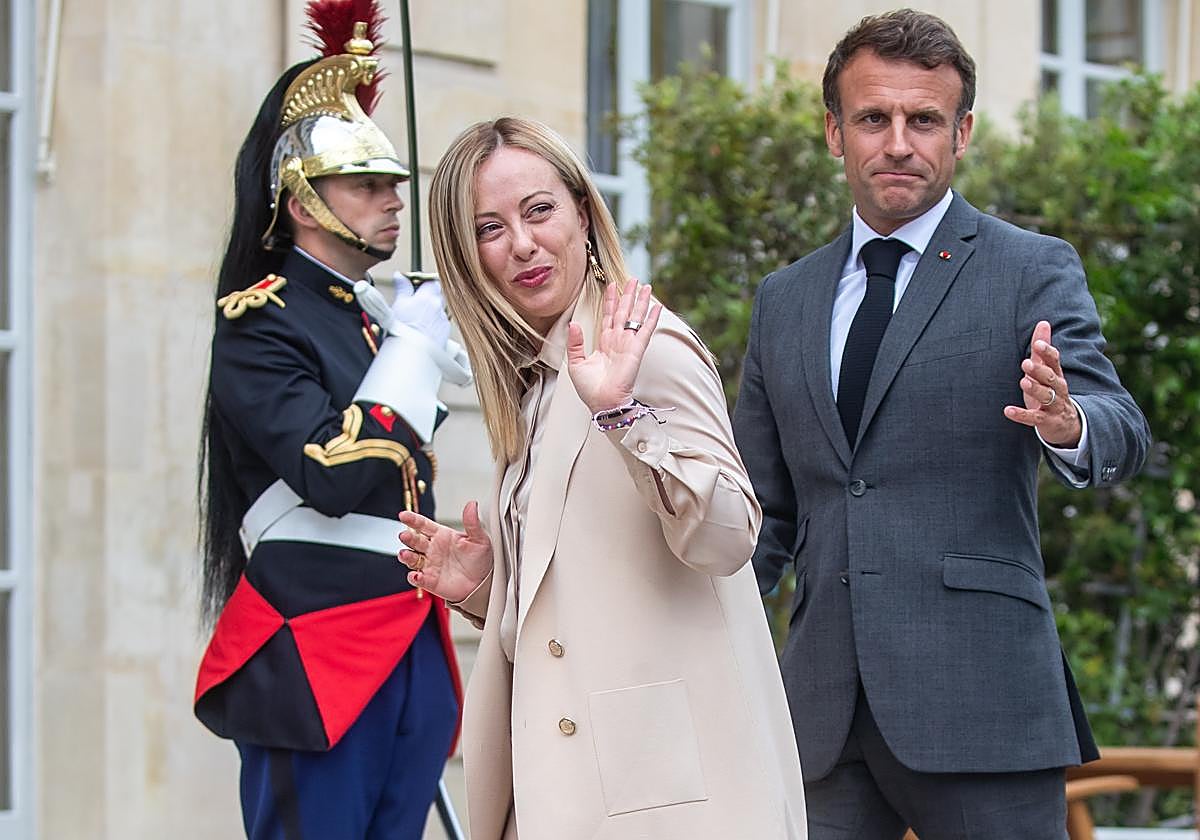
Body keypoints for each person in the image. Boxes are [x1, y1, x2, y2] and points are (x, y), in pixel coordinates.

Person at [732, 9, 1151, 840]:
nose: (897, 142)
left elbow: (1120, 426)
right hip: (820, 715)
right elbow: (761, 513)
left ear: (961, 133)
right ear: (833, 132)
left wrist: (1066, 422)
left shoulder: (1031, 269)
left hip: (982, 703)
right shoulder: (786, 300)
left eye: (923, 119)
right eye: (872, 118)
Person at [396, 116, 807, 840]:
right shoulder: (536, 379)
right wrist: (493, 591)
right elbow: (594, 589)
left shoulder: (646, 349)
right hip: (572, 793)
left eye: (539, 210)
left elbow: (729, 538)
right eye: (489, 228)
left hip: (668, 801)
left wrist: (624, 415)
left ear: (583, 212)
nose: (521, 244)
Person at [193, 5, 471, 838]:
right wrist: (414, 358)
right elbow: (335, 476)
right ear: (305, 201)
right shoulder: (261, 321)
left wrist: (404, 341)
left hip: (406, 637)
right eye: (368, 185)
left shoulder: (373, 319)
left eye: (393, 184)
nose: (393, 201)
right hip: (315, 648)